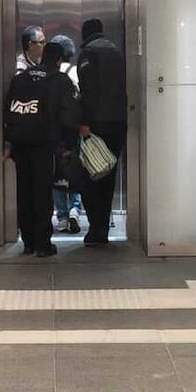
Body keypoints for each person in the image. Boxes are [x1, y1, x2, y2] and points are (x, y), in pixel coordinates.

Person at [3, 43, 79, 258]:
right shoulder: (59, 81)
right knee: (42, 192)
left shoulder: (20, 79)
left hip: (20, 143)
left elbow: (9, 110)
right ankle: (43, 244)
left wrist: (9, 143)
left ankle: (28, 241)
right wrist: (69, 145)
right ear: (59, 61)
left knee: (24, 191)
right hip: (45, 144)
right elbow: (69, 116)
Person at [77, 19, 128, 246]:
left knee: (90, 175)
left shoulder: (89, 53)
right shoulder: (116, 51)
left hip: (97, 123)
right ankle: (103, 230)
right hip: (118, 121)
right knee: (108, 173)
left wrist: (84, 121)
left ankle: (95, 229)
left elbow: (88, 91)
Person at [49, 34, 83, 235]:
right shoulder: (77, 71)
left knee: (57, 175)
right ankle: (75, 210)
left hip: (55, 132)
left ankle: (61, 217)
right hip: (75, 130)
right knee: (75, 171)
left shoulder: (51, 74)